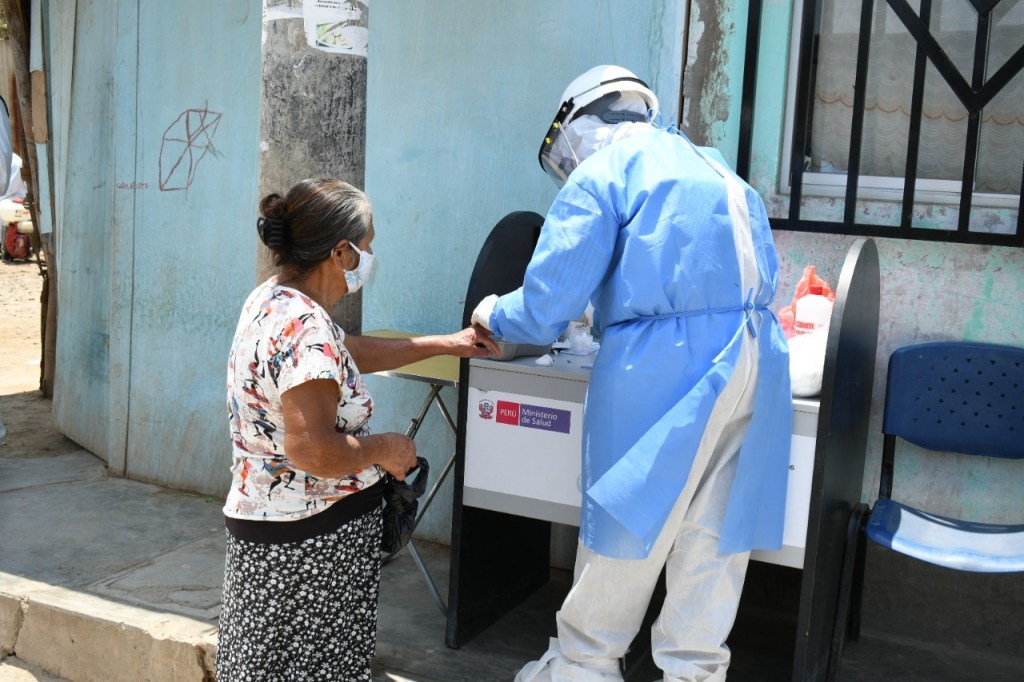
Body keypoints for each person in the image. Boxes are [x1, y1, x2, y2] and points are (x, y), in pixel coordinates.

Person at [470, 66, 793, 681]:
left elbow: (546, 307)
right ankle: (694, 671)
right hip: (757, 355)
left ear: (577, 125)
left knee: (627, 517)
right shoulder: (715, 167)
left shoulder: (604, 174)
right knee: (716, 533)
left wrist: (493, 312)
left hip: (667, 363)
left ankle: (584, 664)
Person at [217, 178, 497, 681]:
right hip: (310, 544)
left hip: (269, 529)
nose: (370, 257)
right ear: (341, 252)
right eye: (367, 246)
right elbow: (314, 450)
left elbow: (345, 353)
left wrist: (445, 343)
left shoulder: (274, 299)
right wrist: (386, 448)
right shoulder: (306, 327)